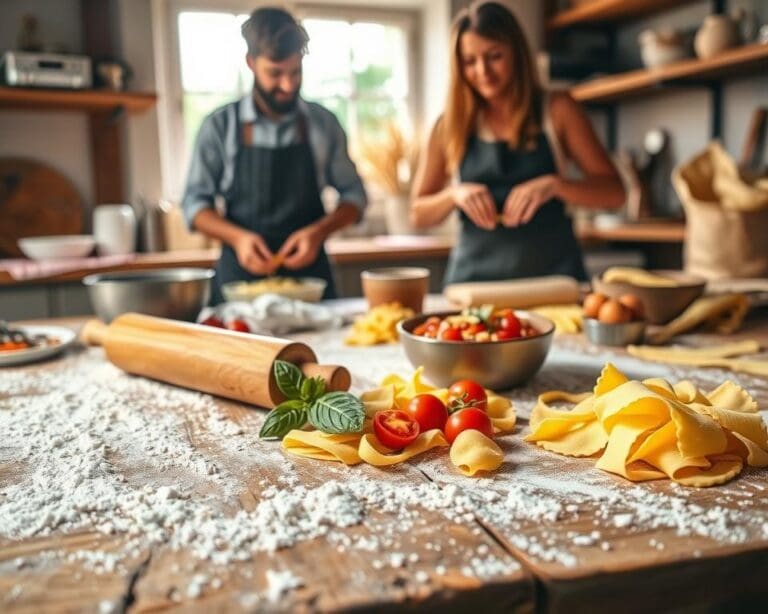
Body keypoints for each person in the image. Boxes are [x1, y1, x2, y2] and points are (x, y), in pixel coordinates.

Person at [410, 1, 625, 285]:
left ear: (517, 53)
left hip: (553, 282)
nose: (483, 71)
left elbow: (614, 193)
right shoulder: (449, 125)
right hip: (474, 285)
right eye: (470, 61)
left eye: (494, 55)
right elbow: (417, 214)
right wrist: (454, 195)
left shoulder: (558, 110)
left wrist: (556, 185)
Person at [182, 7, 367, 303]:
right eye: (275, 73)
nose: (288, 85)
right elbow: (194, 205)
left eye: (296, 72)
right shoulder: (220, 126)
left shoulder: (323, 124)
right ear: (251, 63)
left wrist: (318, 233)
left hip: (312, 285)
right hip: (238, 287)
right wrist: (238, 238)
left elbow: (355, 197)